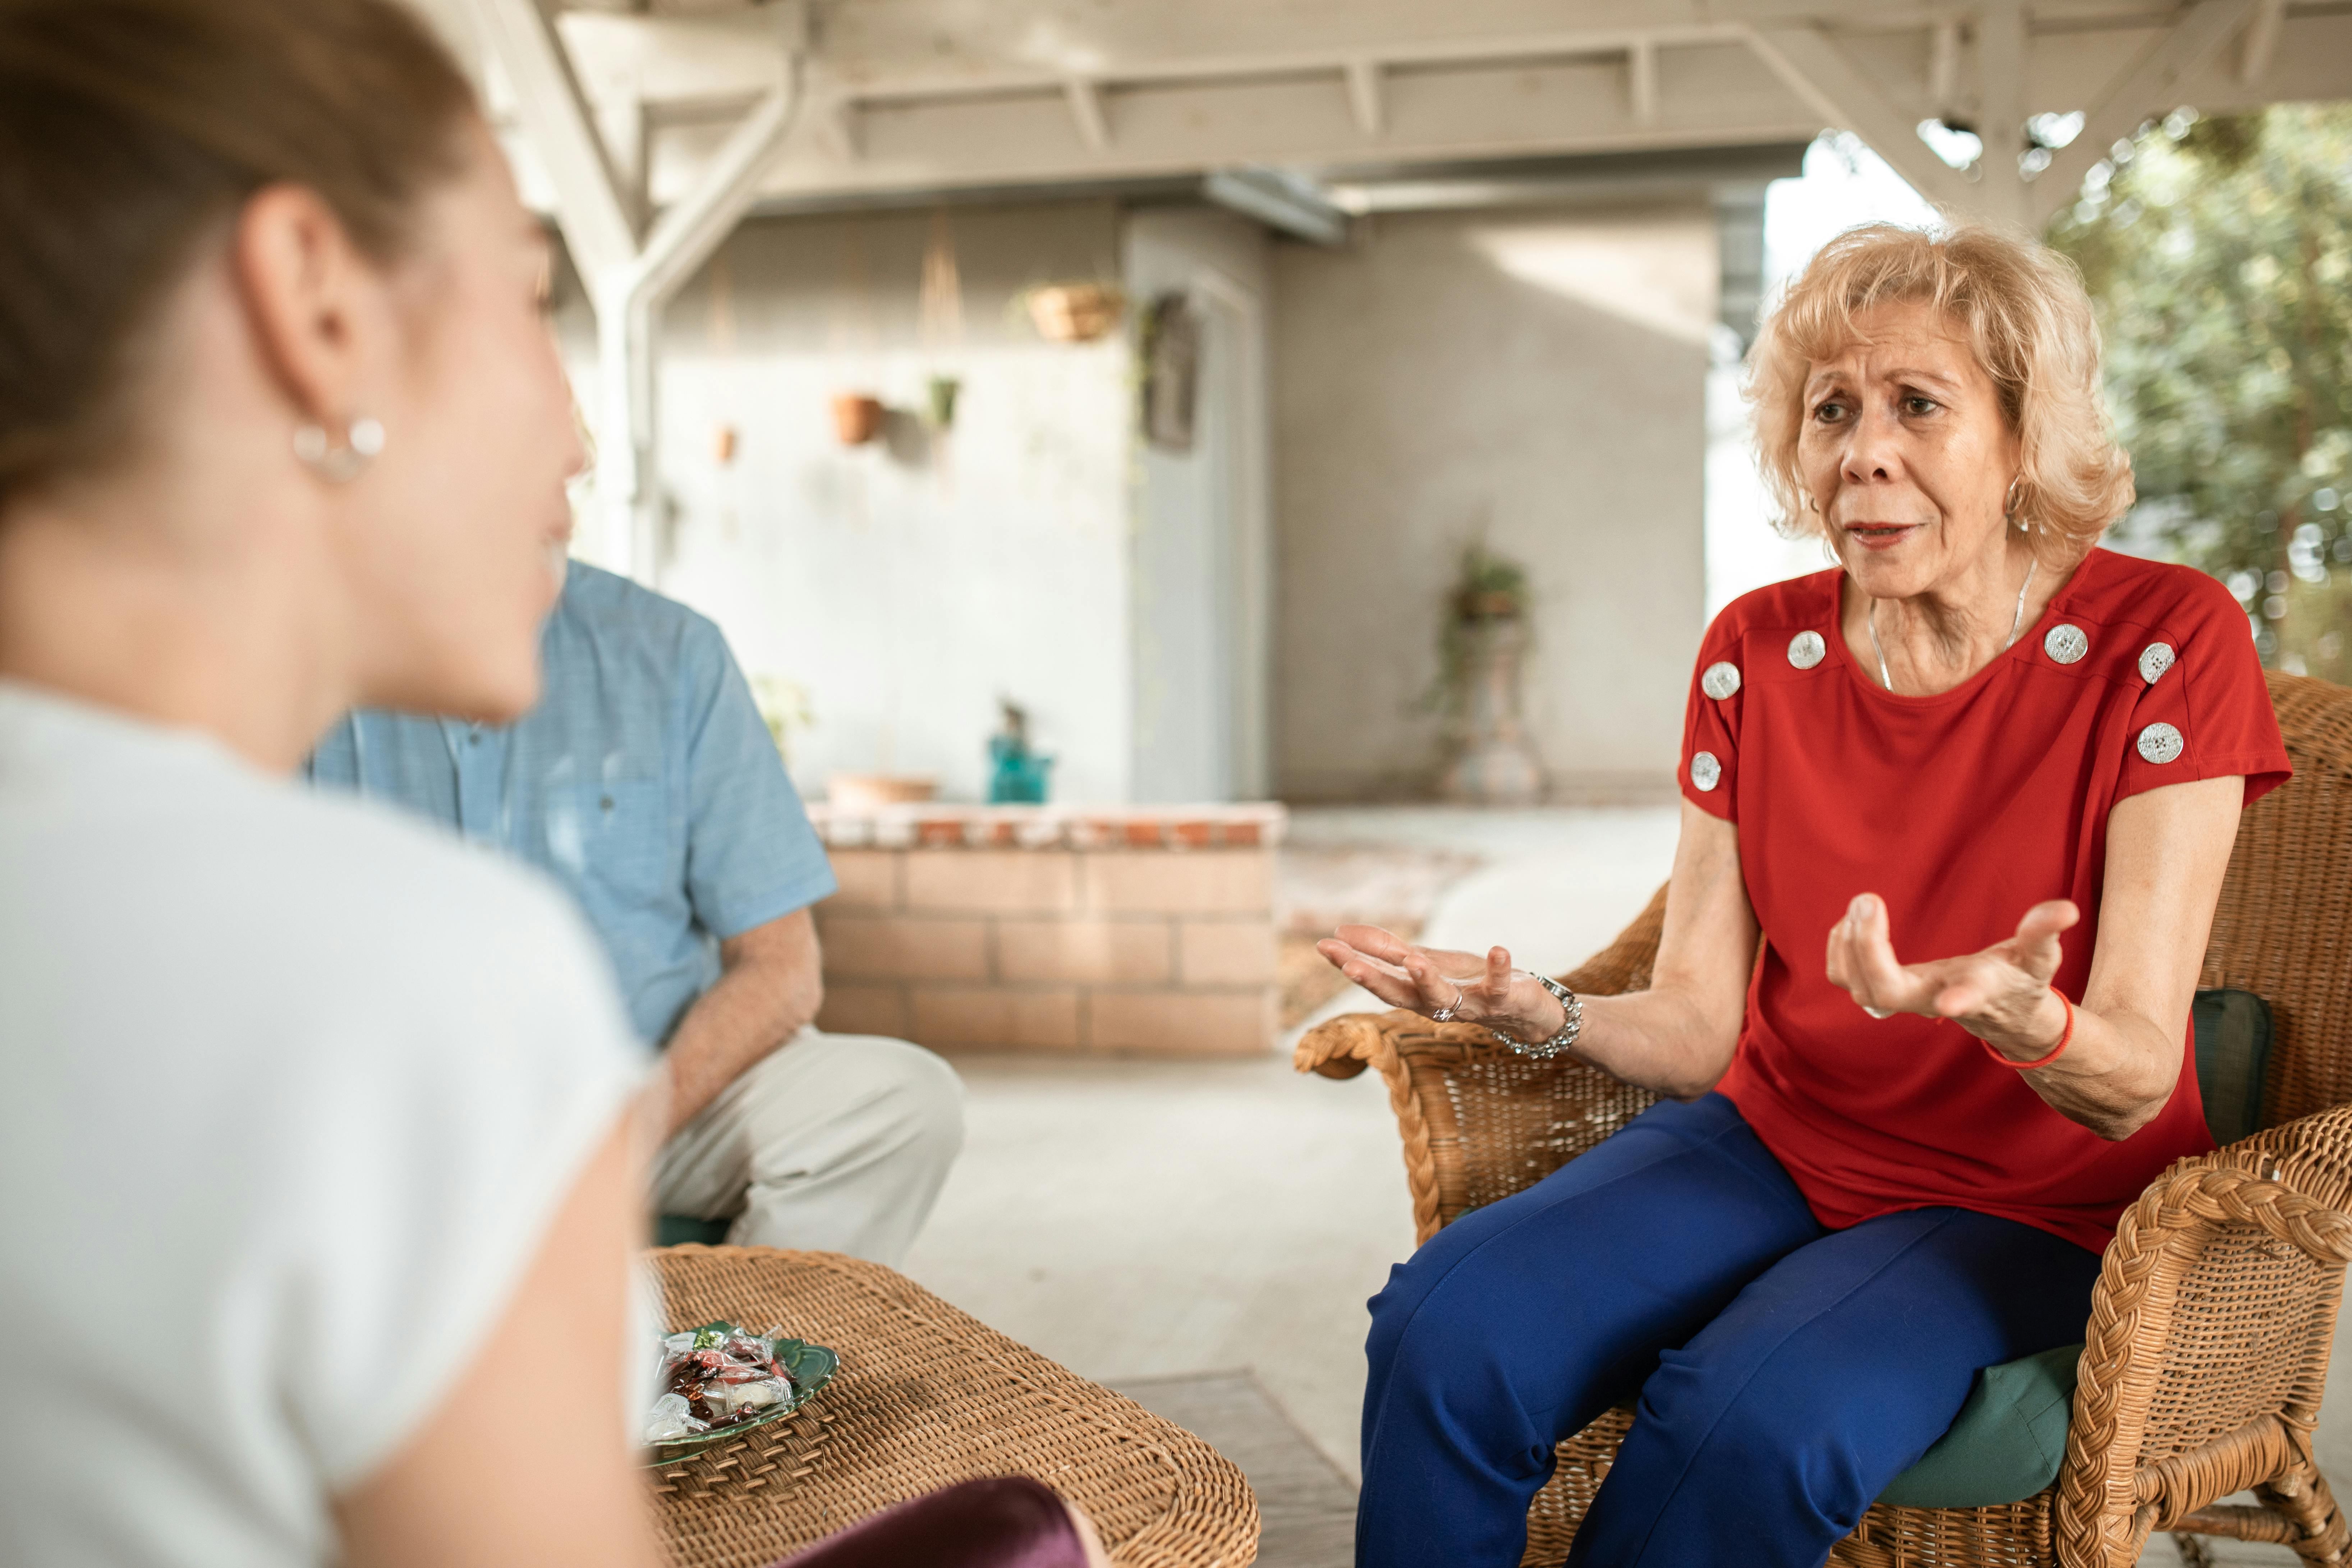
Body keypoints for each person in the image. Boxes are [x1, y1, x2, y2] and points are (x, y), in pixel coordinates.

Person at [0, 6, 1106, 1568]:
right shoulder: (422, 980)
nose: (564, 428)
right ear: (314, 305)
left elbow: (778, 958)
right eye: (528, 301)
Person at [1320, 224, 2291, 1568]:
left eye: (1916, 406)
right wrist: (1534, 1006)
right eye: (1830, 409)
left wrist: (2021, 1019)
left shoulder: (2162, 641)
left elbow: (2129, 1078)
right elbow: (1699, 1026)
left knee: (1751, 1415)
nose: (1863, 450)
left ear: (2021, 434)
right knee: (1445, 1326)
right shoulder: (1753, 654)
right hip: (1774, 1139)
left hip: (2025, 1195)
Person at [307, 553, 964, 1266]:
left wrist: (631, 1129)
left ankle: (729, 1362)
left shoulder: (670, 649)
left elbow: (782, 967)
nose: (572, 468)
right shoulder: (299, 651)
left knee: (901, 1105)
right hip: (397, 1114)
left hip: (652, 1097)